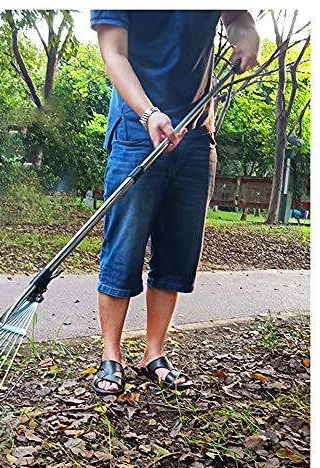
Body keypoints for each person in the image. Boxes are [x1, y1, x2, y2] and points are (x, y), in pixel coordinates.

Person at [90, 10, 260, 396]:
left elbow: (235, 16)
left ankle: (154, 355)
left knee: (176, 252)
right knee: (124, 249)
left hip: (197, 134)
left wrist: (247, 34)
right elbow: (114, 54)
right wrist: (149, 113)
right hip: (137, 129)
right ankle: (110, 356)